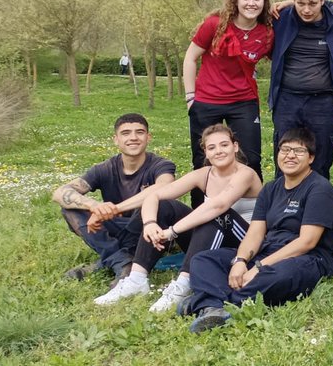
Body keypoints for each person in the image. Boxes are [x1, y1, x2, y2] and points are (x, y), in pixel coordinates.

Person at [182, 127, 333, 333]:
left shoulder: (319, 188)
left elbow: (306, 242)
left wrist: (258, 268)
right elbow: (255, 232)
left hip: (309, 258)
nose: (290, 155)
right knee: (203, 260)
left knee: (281, 275)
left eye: (299, 151)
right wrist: (241, 262)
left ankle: (205, 303)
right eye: (284, 150)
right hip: (268, 250)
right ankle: (213, 307)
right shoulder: (271, 188)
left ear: (310, 158)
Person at [93, 125, 263, 312]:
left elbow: (218, 205)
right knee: (165, 205)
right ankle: (137, 279)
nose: (219, 151)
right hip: (210, 236)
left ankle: (183, 284)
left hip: (243, 242)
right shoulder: (203, 175)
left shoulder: (246, 174)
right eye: (212, 147)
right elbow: (154, 196)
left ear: (235, 147)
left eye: (224, 145)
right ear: (205, 152)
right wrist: (149, 224)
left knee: (215, 213)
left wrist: (172, 232)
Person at [52, 114, 176, 283]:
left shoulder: (161, 165)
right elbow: (59, 192)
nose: (133, 138)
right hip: (117, 228)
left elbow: (165, 187)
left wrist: (115, 209)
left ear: (148, 138)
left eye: (139, 132)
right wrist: (94, 205)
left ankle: (105, 263)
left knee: (156, 203)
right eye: (126, 133)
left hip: (150, 230)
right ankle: (122, 261)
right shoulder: (105, 168)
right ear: (116, 139)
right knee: (70, 208)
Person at [183, 0, 273, 203]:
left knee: (250, 159)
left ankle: (255, 217)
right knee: (203, 160)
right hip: (207, 101)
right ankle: (199, 216)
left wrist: (290, 3)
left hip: (244, 102)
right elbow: (191, 57)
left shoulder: (267, 32)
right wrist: (190, 96)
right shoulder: (215, 24)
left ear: (264, 1)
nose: (251, 3)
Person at [269, 0, 333, 179]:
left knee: (321, 153)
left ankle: (318, 202)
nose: (306, 10)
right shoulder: (281, 18)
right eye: (300, 3)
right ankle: (283, 204)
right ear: (293, 0)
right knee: (285, 152)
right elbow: (243, 16)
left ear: (322, 1)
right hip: (287, 99)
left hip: (322, 100)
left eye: (313, 4)